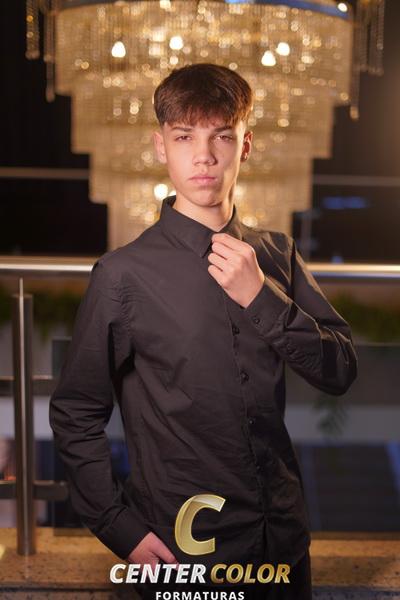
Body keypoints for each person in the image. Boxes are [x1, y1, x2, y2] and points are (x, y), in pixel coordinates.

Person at [49, 63, 358, 600]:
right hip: (180, 550)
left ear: (245, 146)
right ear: (160, 146)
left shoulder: (277, 254)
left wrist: (261, 297)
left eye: (222, 136)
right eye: (184, 136)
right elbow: (76, 412)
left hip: (282, 543)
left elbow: (340, 371)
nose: (204, 156)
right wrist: (118, 527)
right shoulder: (123, 274)